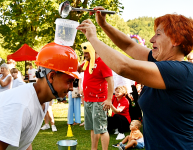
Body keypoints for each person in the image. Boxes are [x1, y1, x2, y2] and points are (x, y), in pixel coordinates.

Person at [77, 9, 193, 149]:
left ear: (176, 40)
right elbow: (129, 45)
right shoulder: (160, 64)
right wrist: (104, 24)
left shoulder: (179, 71)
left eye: (158, 34)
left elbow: (124, 66)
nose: (151, 39)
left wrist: (93, 39)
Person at [0, 42, 79, 150]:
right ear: (51, 76)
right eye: (68, 81)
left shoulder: (43, 100)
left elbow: (25, 141)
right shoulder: (20, 105)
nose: (71, 88)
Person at [79, 42, 114, 150]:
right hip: (88, 100)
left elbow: (111, 81)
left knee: (102, 129)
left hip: (99, 101)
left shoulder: (103, 63)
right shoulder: (87, 63)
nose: (85, 55)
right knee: (93, 128)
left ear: (93, 51)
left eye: (86, 53)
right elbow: (77, 69)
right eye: (84, 53)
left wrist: (109, 99)